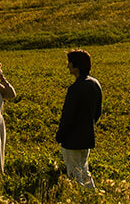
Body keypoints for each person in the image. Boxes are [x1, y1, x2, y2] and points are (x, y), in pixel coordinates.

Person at [56, 48, 102, 189]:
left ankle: (80, 197)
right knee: (84, 170)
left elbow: (68, 116)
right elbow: (97, 112)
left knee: (74, 174)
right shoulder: (95, 84)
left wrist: (60, 135)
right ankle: (91, 195)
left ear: (76, 66)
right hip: (87, 136)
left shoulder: (75, 88)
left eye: (69, 63)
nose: (67, 66)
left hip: (72, 140)